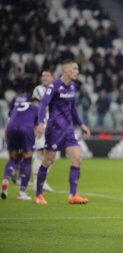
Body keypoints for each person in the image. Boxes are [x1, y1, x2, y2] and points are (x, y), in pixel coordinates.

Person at [34, 59, 91, 205]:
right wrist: (40, 123)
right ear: (65, 70)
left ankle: (73, 195)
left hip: (69, 130)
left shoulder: (72, 86)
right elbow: (43, 105)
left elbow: (72, 109)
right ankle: (38, 195)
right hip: (54, 129)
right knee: (48, 160)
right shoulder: (54, 86)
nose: (77, 71)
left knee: (77, 159)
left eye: (77, 69)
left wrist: (81, 124)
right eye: (74, 68)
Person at [1, 89, 39, 201]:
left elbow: (8, 123)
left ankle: (6, 179)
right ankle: (22, 192)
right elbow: (36, 128)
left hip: (12, 127)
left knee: (13, 157)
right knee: (27, 159)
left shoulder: (16, 106)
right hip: (26, 128)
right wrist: (31, 144)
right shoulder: (35, 108)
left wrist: (7, 139)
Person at [31, 69, 55, 192]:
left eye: (47, 75)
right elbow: (36, 108)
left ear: (52, 77)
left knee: (52, 156)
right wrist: (36, 124)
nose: (44, 78)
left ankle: (42, 181)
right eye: (43, 76)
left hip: (53, 126)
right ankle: (36, 182)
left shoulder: (56, 89)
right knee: (41, 153)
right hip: (42, 125)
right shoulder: (38, 90)